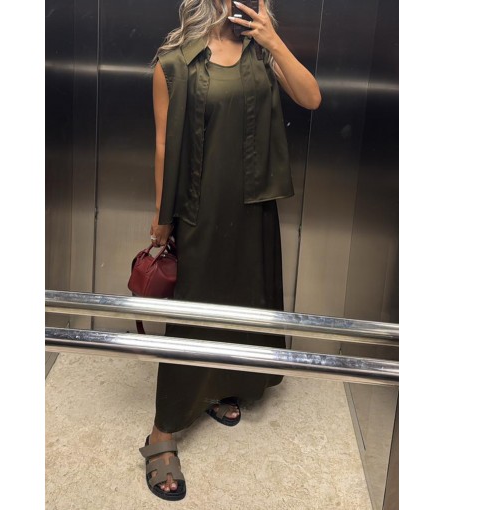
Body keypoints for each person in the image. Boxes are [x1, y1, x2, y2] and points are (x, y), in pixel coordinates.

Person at [139, 0, 321, 501]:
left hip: (254, 207)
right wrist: (162, 219)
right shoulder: (174, 62)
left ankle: (218, 386)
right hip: (199, 209)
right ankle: (162, 431)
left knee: (244, 303)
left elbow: (311, 98)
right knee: (194, 315)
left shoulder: (263, 54)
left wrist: (272, 39)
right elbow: (162, 145)